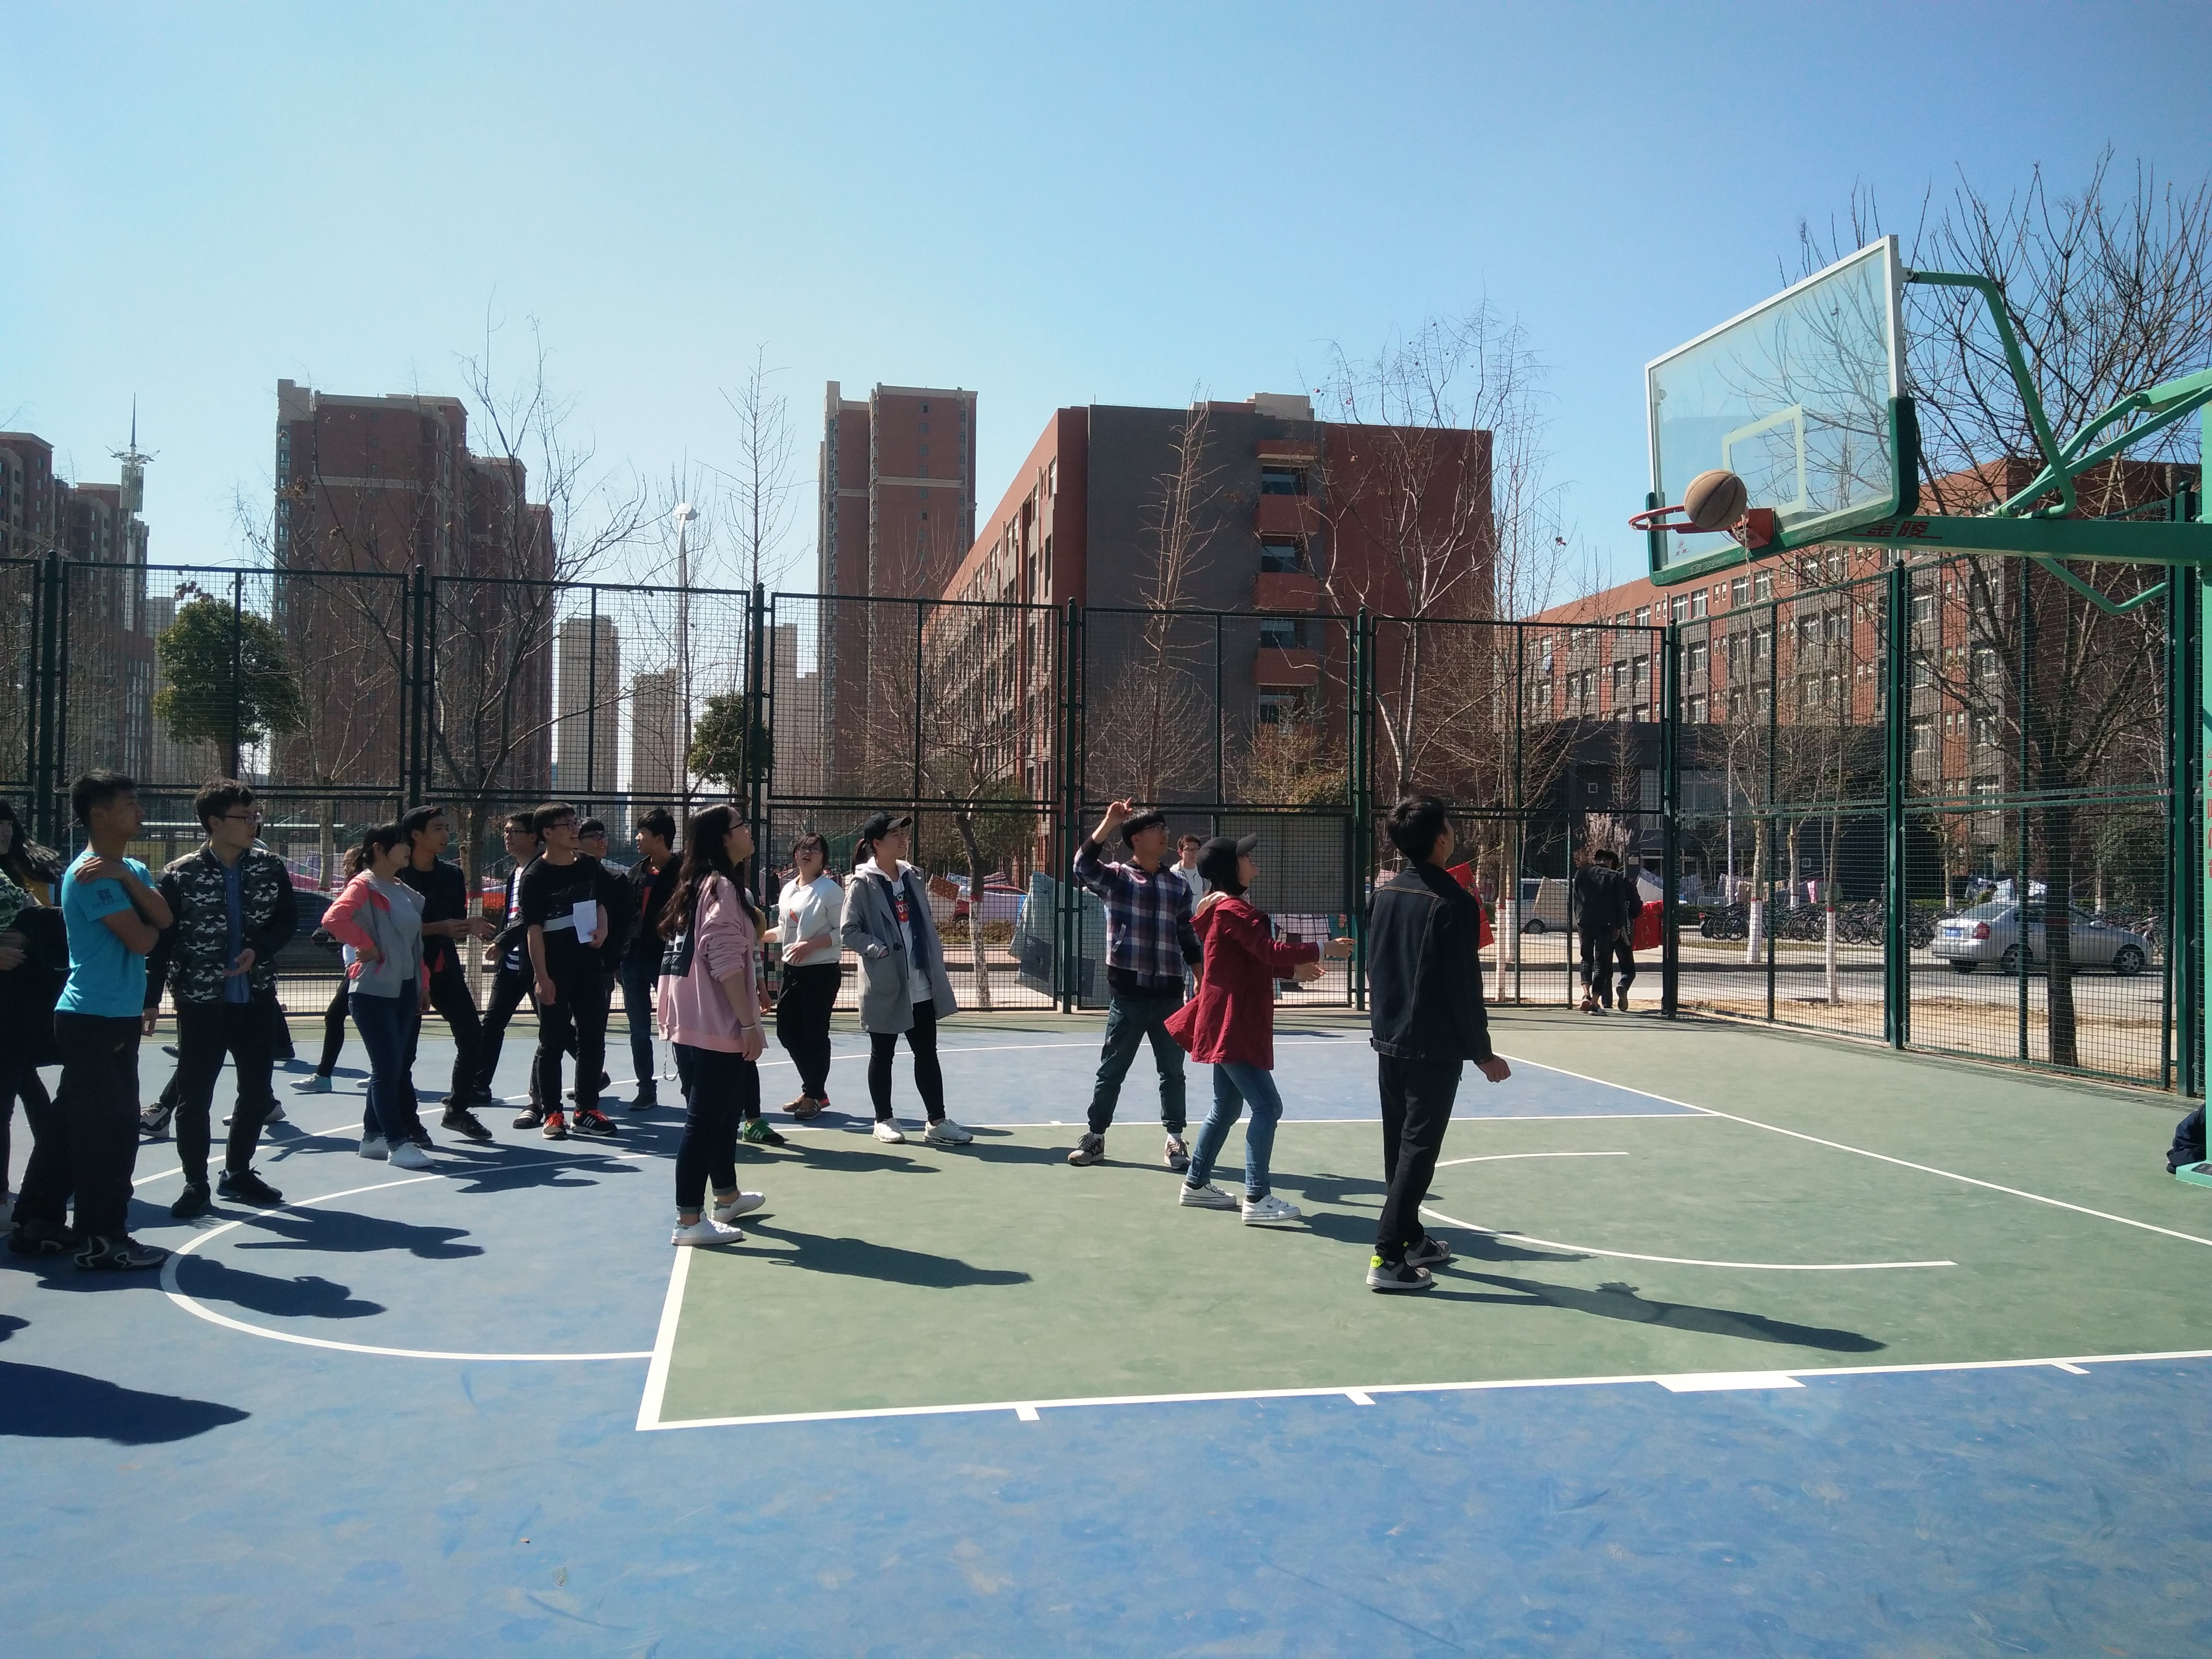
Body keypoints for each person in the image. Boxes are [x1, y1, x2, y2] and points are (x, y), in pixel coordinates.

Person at [12, 771, 174, 1269]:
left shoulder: (126, 869)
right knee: (112, 1131)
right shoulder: (88, 873)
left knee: (67, 1124)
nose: (140, 811)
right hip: (95, 1018)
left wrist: (128, 878)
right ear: (100, 814)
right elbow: (144, 939)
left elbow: (165, 917)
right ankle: (103, 1238)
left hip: (110, 1017)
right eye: (130, 804)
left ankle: (36, 1223)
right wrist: (143, 913)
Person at [1364, 795, 1513, 1293]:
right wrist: (1482, 1052)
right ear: (1441, 839)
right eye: (1449, 825)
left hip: (1389, 1039)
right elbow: (1463, 986)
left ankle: (1411, 1238)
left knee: (1399, 1145)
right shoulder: (1454, 902)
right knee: (1419, 1151)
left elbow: (1377, 965)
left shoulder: (1383, 895)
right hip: (1432, 1045)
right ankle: (1388, 1258)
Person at [1164, 833, 1352, 1224]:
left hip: (1227, 1021)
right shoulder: (1233, 910)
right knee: (1267, 1106)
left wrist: (1293, 969)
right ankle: (1257, 1196)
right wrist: (1323, 948)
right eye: (1245, 857)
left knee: (1226, 1107)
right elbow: (1267, 951)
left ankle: (1196, 1184)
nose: (1252, 860)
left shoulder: (1226, 909)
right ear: (1231, 868)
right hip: (1233, 1023)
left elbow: (1249, 960)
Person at [142, 780, 297, 1218]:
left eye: (256, 816)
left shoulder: (270, 866)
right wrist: (150, 999)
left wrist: (258, 950)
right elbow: (162, 942)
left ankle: (238, 1172)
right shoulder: (180, 874)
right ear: (214, 822)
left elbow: (286, 921)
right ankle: (196, 1183)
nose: (254, 824)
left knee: (256, 1090)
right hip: (200, 1001)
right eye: (244, 817)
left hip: (256, 998)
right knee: (195, 1097)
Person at [1067, 800, 1203, 1169]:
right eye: (1157, 829)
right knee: (1111, 1071)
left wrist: (1201, 976)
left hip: (1170, 998)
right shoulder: (1117, 878)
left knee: (1172, 1073)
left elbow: (1187, 935)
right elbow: (1081, 866)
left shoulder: (1177, 886)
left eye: (1165, 828)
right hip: (1128, 997)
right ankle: (1095, 1137)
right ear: (1137, 838)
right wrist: (1110, 822)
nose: (1165, 834)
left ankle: (1175, 1139)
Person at [657, 803, 770, 1245]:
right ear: (724, 838)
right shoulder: (720, 887)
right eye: (741, 825)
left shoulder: (698, 885)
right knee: (704, 1121)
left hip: (689, 1019)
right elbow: (723, 959)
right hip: (713, 1022)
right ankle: (688, 1220)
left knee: (723, 1114)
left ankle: (726, 1196)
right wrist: (748, 1023)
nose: (749, 830)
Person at [840, 811, 972, 1146]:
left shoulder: (913, 875)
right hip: (886, 982)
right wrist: (879, 949)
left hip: (921, 982)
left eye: (903, 833)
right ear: (876, 843)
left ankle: (937, 1121)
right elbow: (849, 931)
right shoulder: (862, 883)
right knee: (882, 1053)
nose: (903, 839)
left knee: (927, 1053)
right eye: (895, 835)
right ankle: (883, 1119)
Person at [322, 823, 436, 1171]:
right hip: (372, 991)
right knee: (388, 1068)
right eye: (400, 843)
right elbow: (334, 919)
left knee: (392, 1067)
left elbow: (415, 945)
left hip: (404, 989)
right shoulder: (363, 885)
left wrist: (423, 984)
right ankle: (398, 1144)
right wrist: (366, 945)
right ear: (378, 849)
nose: (407, 849)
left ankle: (372, 1138)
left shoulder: (403, 890)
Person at [394, 805, 495, 1141]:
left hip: (444, 969)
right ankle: (408, 1123)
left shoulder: (452, 874)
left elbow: (455, 925)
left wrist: (468, 926)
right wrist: (441, 927)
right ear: (416, 835)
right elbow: (394, 929)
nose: (445, 835)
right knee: (404, 1054)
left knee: (473, 1040)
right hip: (407, 972)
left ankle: (457, 1111)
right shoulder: (396, 876)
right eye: (438, 828)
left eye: (446, 828)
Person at [520, 802, 618, 1141]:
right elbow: (533, 930)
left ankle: (587, 1110)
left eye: (575, 822)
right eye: (567, 824)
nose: (575, 829)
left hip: (589, 969)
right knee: (552, 1043)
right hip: (555, 972)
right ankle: (553, 1113)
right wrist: (542, 977)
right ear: (547, 833)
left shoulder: (589, 865)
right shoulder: (535, 876)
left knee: (592, 1040)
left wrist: (603, 929)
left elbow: (600, 904)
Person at [0, 836, 65, 1233]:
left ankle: (47, 1175)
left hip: (13, 1006)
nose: (4, 830)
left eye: (8, 821)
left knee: (17, 1093)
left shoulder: (17, 874)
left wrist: (30, 932)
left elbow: (46, 920)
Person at [774, 832, 843, 1119]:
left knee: (815, 1035)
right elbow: (784, 931)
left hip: (821, 972)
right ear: (795, 854)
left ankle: (813, 1095)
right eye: (803, 848)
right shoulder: (788, 889)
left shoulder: (830, 891)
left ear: (823, 858)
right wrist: (754, 935)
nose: (808, 853)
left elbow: (842, 933)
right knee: (786, 1032)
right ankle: (815, 1089)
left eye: (815, 849)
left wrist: (811, 945)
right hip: (792, 971)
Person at [480, 812, 542, 1122]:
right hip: (511, 966)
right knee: (492, 1024)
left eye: (514, 831)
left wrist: (503, 941)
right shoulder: (514, 872)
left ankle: (592, 1074)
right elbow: (513, 916)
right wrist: (499, 938)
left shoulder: (540, 871)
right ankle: (479, 1085)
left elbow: (529, 917)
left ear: (533, 836)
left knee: (555, 1030)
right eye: (506, 831)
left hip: (536, 965)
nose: (507, 836)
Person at [621, 808, 682, 1110]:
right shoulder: (634, 873)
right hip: (632, 961)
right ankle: (646, 1088)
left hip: (667, 962)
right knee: (639, 1030)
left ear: (659, 838)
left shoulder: (683, 874)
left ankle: (691, 1086)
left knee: (680, 1026)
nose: (636, 838)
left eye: (641, 833)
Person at [1573, 848, 1643, 1013]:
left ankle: (1586, 995)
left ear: (1596, 859)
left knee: (1586, 959)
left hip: (1585, 921)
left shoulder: (1581, 874)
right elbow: (1620, 904)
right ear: (1610, 862)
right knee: (1601, 962)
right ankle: (1595, 1003)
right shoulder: (1615, 877)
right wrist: (1618, 926)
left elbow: (1575, 899)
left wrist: (1579, 918)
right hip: (1606, 924)